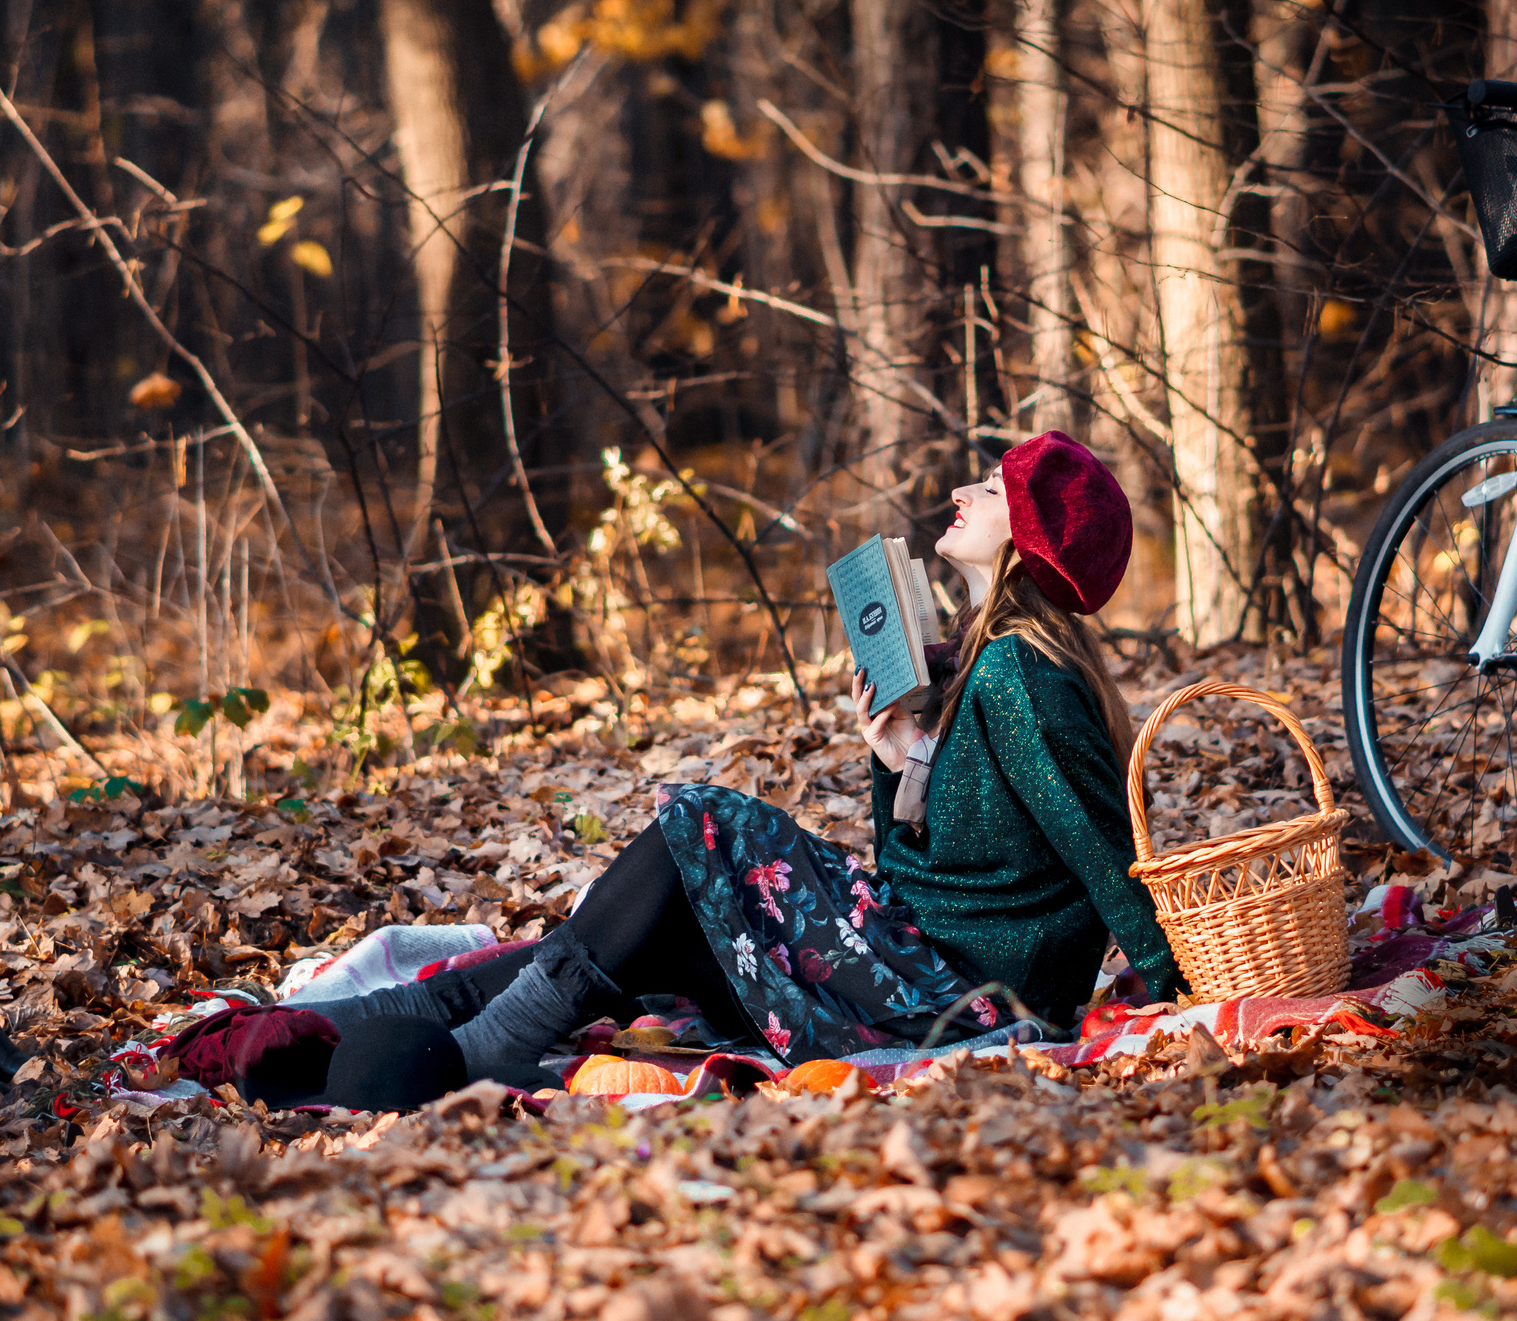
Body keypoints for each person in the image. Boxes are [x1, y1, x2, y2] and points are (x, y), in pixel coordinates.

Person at [252, 431, 1180, 1111]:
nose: (963, 492)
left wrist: (1173, 988)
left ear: (1028, 534)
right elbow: (919, 872)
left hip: (960, 991)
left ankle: (477, 1046)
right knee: (678, 911)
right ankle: (395, 1023)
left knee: (705, 824)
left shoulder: (1025, 673)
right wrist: (890, 757)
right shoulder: (967, 663)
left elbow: (1106, 849)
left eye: (992, 486)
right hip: (914, 956)